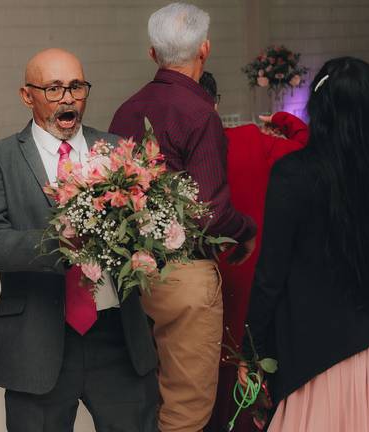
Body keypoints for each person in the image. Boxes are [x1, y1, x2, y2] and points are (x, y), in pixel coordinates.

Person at [0, 48, 159, 432]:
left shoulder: (117, 150)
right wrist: (59, 242)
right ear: (27, 96)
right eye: (54, 89)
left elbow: (144, 222)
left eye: (76, 87)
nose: (68, 99)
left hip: (116, 335)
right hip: (36, 338)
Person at [241, 57, 369, 431]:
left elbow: (270, 275)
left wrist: (252, 349)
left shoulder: (293, 174)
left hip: (319, 355)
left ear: (320, 108)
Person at [109, 4, 256, 431]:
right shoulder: (199, 113)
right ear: (204, 50)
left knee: (147, 395)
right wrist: (246, 230)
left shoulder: (126, 110)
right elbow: (209, 212)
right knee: (187, 410)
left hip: (133, 273)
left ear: (153, 53)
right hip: (184, 275)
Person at [197, 72, 309, 432]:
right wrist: (284, 120)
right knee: (249, 364)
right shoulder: (249, 140)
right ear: (215, 104)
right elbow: (308, 148)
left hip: (196, 284)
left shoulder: (169, 156)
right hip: (249, 276)